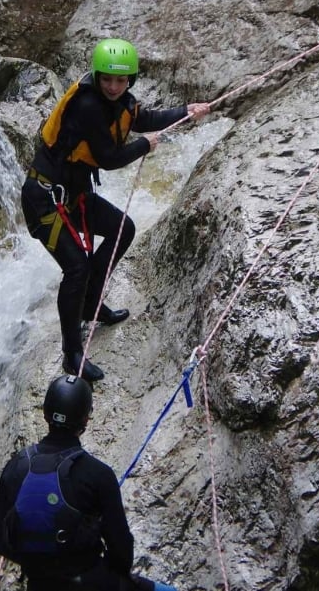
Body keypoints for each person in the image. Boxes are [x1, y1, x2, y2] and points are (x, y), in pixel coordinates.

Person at [20, 39, 211, 381]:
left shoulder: (121, 100)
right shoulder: (89, 105)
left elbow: (145, 118)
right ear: (97, 76)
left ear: (130, 81)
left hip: (73, 194)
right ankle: (71, 353)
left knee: (123, 228)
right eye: (107, 78)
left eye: (120, 80)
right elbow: (108, 159)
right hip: (45, 198)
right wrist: (144, 146)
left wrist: (186, 110)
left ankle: (92, 303)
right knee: (76, 268)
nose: (112, 86)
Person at [0, 375, 181, 591]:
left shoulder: (14, 467)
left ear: (45, 412)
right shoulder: (98, 474)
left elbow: (2, 543)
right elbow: (122, 555)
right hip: (91, 583)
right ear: (85, 420)